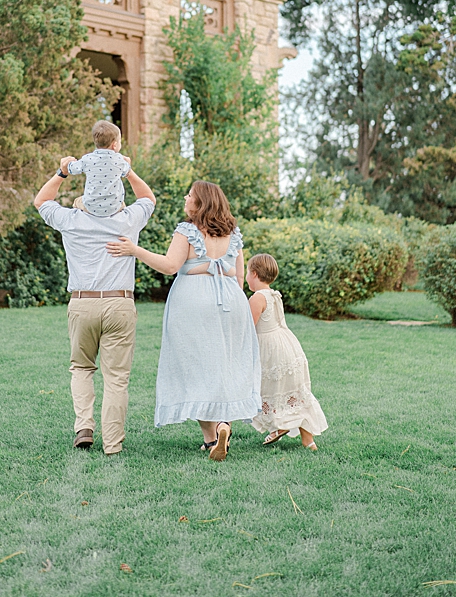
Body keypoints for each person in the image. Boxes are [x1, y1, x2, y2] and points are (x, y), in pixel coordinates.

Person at [106, 180, 260, 461]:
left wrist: (134, 250)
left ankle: (211, 437)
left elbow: (170, 266)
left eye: (190, 195)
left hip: (194, 299)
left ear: (199, 203)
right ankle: (223, 424)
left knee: (195, 365)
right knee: (226, 364)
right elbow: (239, 276)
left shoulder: (188, 231)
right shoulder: (233, 234)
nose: (185, 198)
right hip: (231, 301)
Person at [34, 154, 156, 455]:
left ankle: (84, 427)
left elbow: (41, 200)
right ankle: (113, 444)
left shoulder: (72, 219)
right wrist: (126, 169)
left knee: (81, 368)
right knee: (116, 378)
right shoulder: (128, 219)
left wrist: (62, 173)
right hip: (120, 303)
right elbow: (148, 197)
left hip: (82, 303)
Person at [245, 254, 328, 451]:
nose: (246, 276)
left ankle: (280, 425)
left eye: (248, 272)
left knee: (272, 390)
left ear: (254, 274)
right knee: (296, 393)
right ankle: (309, 441)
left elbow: (248, 329)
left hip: (271, 351)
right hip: (288, 346)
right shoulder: (274, 294)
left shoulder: (257, 298)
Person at [63, 120, 132, 216]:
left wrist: (69, 163)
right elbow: (126, 172)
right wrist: (127, 163)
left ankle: (80, 219)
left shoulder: (87, 159)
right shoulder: (119, 160)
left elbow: (72, 169)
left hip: (91, 207)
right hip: (114, 208)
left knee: (77, 201)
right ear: (115, 145)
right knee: (122, 204)